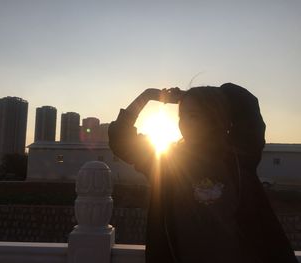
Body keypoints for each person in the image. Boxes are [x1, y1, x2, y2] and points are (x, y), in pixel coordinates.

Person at [108, 83, 297, 263]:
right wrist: (148, 95)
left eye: (193, 115)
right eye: (182, 116)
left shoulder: (240, 155)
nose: (184, 123)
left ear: (214, 117)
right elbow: (121, 139)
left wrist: (188, 95)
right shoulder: (166, 163)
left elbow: (246, 102)